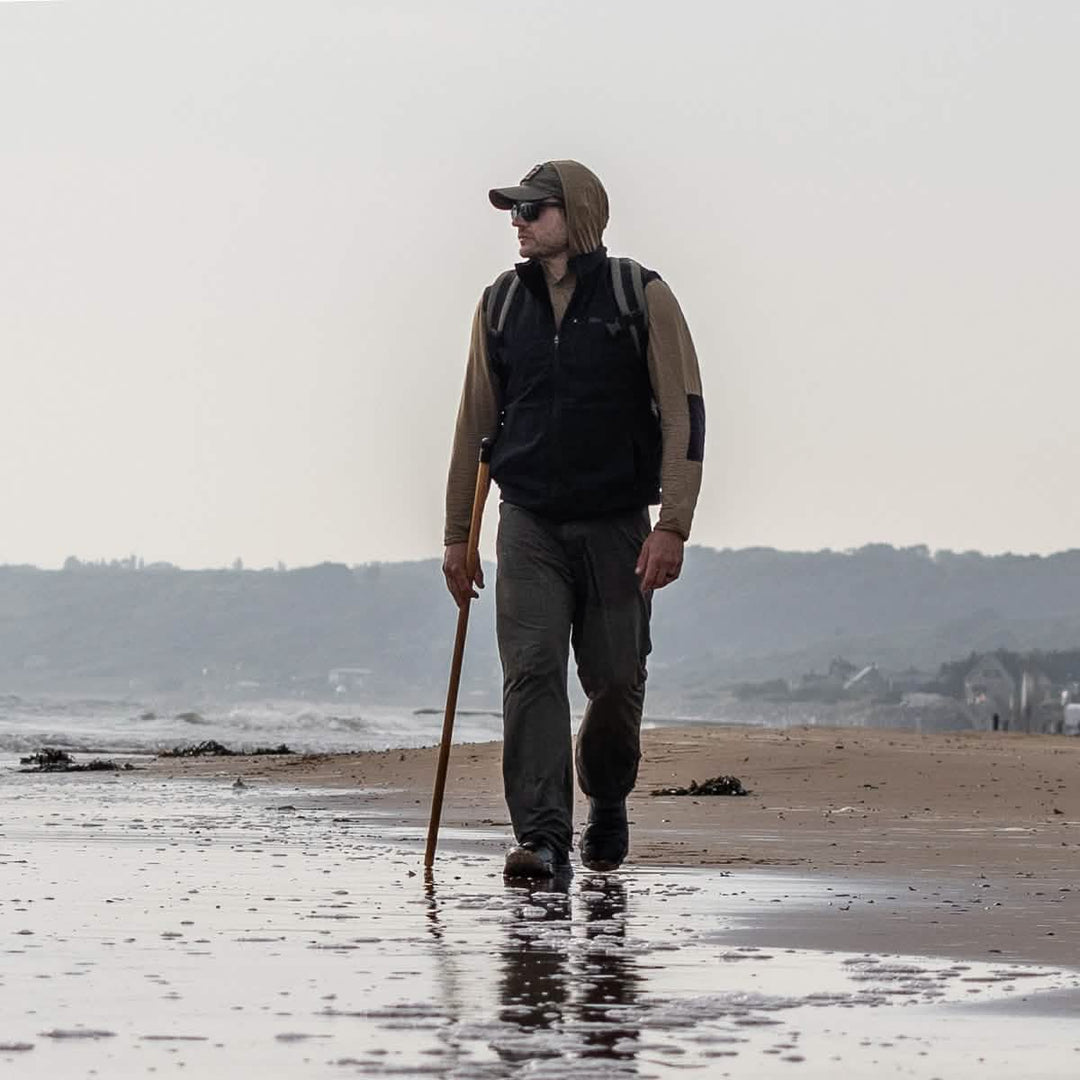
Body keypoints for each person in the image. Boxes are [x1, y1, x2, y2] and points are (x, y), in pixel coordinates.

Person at [443, 160, 704, 878]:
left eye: (534, 210)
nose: (519, 223)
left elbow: (685, 412)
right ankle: (545, 838)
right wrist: (457, 537)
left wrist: (672, 524)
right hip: (526, 521)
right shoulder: (500, 304)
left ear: (578, 215)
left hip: (619, 521)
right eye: (515, 212)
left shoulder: (639, 296)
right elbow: (474, 423)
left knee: (617, 679)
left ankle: (608, 793)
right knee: (530, 672)